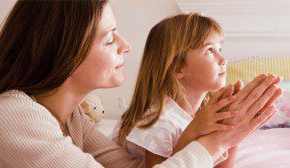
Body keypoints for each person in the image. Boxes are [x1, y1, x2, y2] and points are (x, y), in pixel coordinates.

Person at [0, 1, 282, 167]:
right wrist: (216, 141)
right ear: (63, 52)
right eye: (109, 38)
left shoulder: (74, 118)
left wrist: (223, 132)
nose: (126, 46)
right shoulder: (12, 114)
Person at [110, 13, 282, 167]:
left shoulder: (205, 111)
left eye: (219, 49)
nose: (223, 59)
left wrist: (234, 129)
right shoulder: (158, 122)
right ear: (178, 68)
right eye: (209, 50)